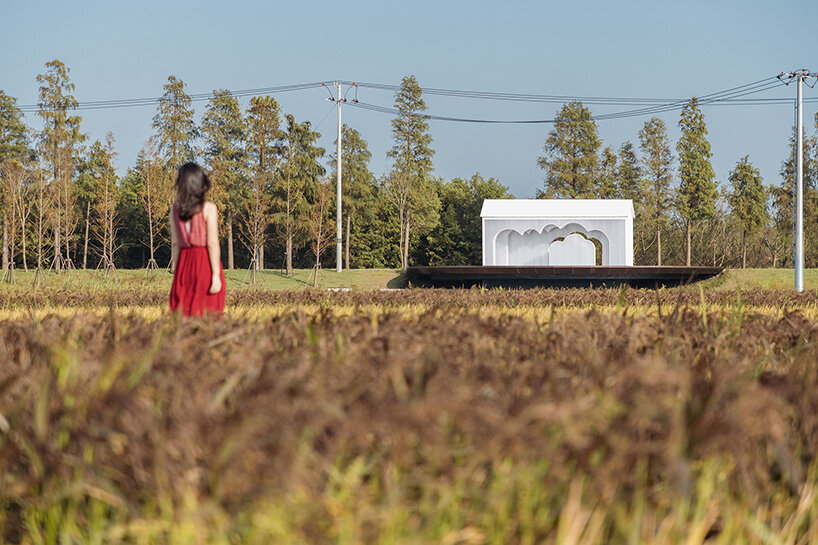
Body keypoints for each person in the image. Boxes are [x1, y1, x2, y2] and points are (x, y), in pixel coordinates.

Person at [169, 162, 225, 317]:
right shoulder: (208, 208)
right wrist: (215, 275)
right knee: (208, 313)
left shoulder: (175, 209)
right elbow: (212, 243)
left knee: (183, 312)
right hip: (204, 263)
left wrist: (177, 270)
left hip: (184, 262)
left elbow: (175, 243)